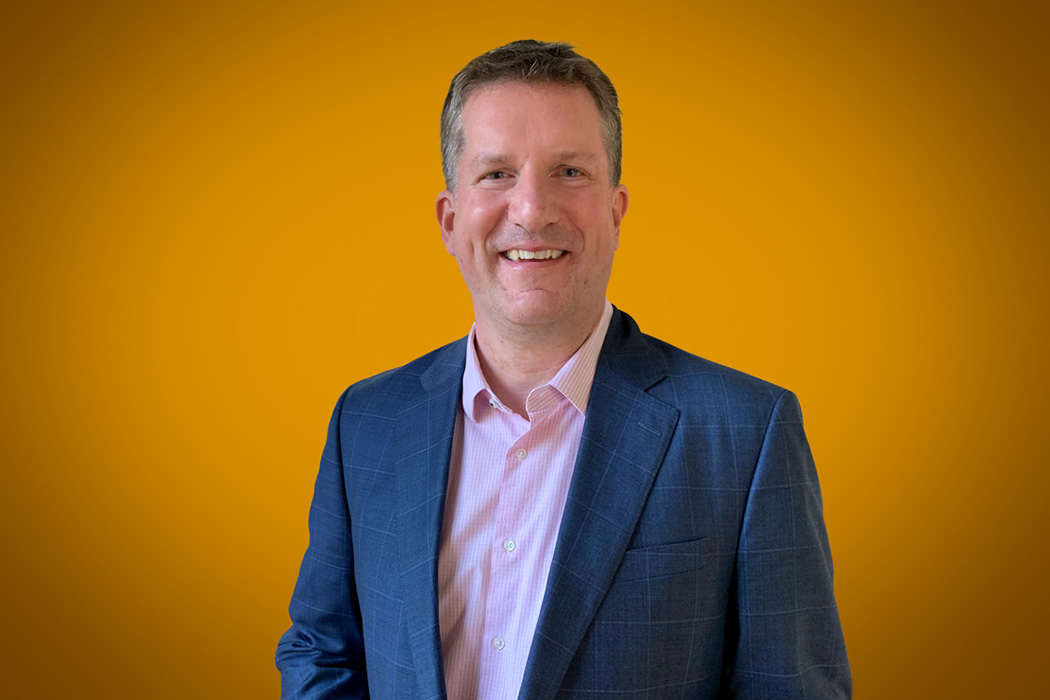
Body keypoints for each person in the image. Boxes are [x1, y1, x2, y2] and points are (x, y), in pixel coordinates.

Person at [276, 40, 851, 700]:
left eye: (570, 173)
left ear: (615, 208)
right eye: (496, 174)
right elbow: (323, 651)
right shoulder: (367, 421)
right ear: (450, 217)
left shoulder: (746, 432)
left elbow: (792, 690)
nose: (531, 210)